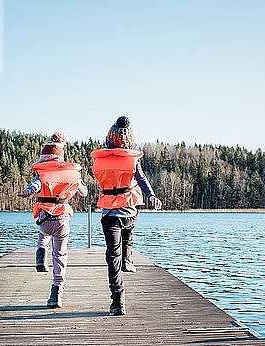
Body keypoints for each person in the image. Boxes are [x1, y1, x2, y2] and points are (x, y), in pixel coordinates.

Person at [91, 116, 162, 316]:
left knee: (112, 256)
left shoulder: (99, 160)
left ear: (109, 140)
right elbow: (141, 178)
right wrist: (151, 196)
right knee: (127, 235)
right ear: (129, 142)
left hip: (110, 213)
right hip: (130, 210)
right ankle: (128, 254)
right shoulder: (133, 160)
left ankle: (117, 300)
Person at [18, 132, 88, 308]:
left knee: (43, 235)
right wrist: (78, 180)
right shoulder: (71, 174)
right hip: (63, 219)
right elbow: (83, 192)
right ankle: (57, 291)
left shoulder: (41, 174)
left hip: (45, 219)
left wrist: (26, 192)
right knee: (60, 254)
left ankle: (41, 254)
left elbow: (34, 187)